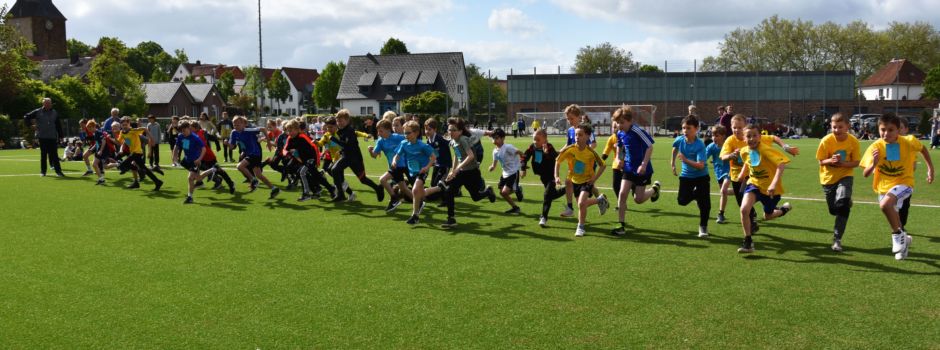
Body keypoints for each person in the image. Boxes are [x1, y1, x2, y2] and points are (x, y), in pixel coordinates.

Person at [861, 113, 935, 260]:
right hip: (883, 188)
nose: (886, 133)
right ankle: (904, 240)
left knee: (885, 205)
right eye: (883, 129)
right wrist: (874, 163)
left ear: (898, 130)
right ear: (878, 129)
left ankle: (897, 236)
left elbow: (923, 149)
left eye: (891, 130)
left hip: (904, 183)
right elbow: (865, 174)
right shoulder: (875, 147)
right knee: (894, 217)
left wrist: (930, 169)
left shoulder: (909, 141)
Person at [720, 114, 799, 235]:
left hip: (761, 178)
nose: (737, 130)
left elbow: (773, 138)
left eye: (740, 127)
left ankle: (770, 213)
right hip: (740, 177)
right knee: (743, 205)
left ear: (745, 126)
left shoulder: (756, 138)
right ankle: (749, 234)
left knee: (762, 212)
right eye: (734, 127)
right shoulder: (731, 140)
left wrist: (785, 146)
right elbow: (723, 157)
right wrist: (731, 156)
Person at [425, 117, 496, 229]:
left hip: (472, 172)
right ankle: (451, 219)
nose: (450, 132)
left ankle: (488, 192)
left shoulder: (463, 139)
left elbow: (470, 156)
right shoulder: (453, 141)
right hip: (462, 172)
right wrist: (453, 171)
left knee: (476, 197)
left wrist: (457, 169)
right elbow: (456, 156)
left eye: (453, 130)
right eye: (449, 130)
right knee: (449, 192)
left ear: (460, 131)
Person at [736, 124, 793, 254]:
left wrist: (773, 184)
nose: (752, 139)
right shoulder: (743, 151)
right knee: (744, 209)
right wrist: (742, 174)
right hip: (754, 184)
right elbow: (747, 161)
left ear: (760, 137)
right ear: (744, 139)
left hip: (771, 189)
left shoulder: (765, 150)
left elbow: (781, 164)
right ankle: (748, 241)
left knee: (767, 216)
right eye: (748, 136)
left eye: (754, 135)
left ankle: (783, 209)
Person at [610, 106, 660, 235]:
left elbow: (649, 147)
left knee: (638, 199)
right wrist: (619, 159)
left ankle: (654, 190)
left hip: (642, 170)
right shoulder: (620, 133)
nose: (619, 125)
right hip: (628, 168)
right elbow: (620, 147)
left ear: (630, 120)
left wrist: (643, 164)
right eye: (617, 122)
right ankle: (621, 225)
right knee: (622, 194)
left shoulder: (637, 131)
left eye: (622, 122)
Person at [816, 113, 860, 252]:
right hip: (828, 179)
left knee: (842, 205)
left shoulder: (853, 141)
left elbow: (856, 162)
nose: (837, 130)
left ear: (847, 126)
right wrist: (831, 161)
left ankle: (837, 239)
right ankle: (846, 201)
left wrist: (843, 164)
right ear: (831, 126)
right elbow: (821, 161)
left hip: (845, 176)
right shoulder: (826, 140)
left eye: (840, 127)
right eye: (834, 127)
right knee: (833, 210)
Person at [554, 124, 609, 237]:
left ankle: (581, 227)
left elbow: (603, 165)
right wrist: (556, 176)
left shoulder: (591, 152)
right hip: (575, 181)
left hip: (587, 181)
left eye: (580, 135)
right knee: (582, 205)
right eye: (576, 135)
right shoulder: (570, 149)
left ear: (588, 136)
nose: (577, 137)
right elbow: (558, 161)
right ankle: (600, 200)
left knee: (580, 203)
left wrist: (594, 179)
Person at [329, 109, 384, 202]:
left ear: (347, 120)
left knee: (362, 179)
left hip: (354, 158)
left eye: (341, 121)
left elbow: (346, 144)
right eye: (337, 121)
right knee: (335, 170)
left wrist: (335, 140)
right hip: (347, 156)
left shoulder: (349, 131)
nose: (339, 123)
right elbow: (346, 146)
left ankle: (378, 188)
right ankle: (341, 194)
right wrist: (341, 151)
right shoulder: (341, 130)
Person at [670, 115, 711, 238]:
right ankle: (697, 195)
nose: (685, 131)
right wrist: (672, 163)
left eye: (688, 128)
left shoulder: (700, 145)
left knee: (705, 204)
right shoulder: (679, 140)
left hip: (701, 176)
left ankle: (703, 227)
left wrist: (685, 160)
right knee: (681, 201)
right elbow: (674, 148)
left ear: (696, 129)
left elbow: (700, 166)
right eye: (683, 128)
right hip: (686, 176)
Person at [392, 121, 437, 225]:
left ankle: (415, 215)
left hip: (422, 171)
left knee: (415, 190)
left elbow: (433, 157)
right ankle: (440, 187)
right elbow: (397, 155)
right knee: (420, 193)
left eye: (408, 133)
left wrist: (426, 167)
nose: (406, 135)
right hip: (412, 171)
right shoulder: (404, 144)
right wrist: (394, 161)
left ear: (416, 133)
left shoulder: (422, 146)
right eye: (405, 133)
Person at [522, 129, 567, 227]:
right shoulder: (532, 147)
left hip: (551, 175)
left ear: (545, 140)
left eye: (538, 140)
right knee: (552, 195)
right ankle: (568, 189)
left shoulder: (549, 147)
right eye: (534, 139)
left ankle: (544, 217)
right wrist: (523, 168)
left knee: (547, 195)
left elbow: (555, 157)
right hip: (543, 176)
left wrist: (546, 153)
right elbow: (525, 156)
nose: (535, 142)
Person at [229, 115, 280, 199]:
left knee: (239, 166)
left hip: (255, 153)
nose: (236, 126)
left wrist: (269, 142)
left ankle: (253, 180)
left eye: (238, 124)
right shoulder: (234, 132)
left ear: (243, 124)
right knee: (259, 174)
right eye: (234, 125)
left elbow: (263, 129)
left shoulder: (248, 130)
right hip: (249, 154)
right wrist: (227, 143)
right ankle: (274, 188)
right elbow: (231, 147)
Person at [283, 119, 334, 202]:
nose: (289, 133)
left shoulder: (303, 137)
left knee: (302, 172)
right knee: (315, 176)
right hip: (303, 160)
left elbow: (315, 147)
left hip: (311, 159)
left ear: (297, 129)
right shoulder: (290, 138)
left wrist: (317, 161)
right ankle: (328, 189)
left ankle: (306, 194)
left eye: (291, 130)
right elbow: (284, 149)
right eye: (288, 131)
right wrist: (287, 153)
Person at [369, 119, 408, 210]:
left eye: (381, 131)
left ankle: (394, 199)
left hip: (404, 165)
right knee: (404, 189)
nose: (379, 133)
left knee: (383, 180)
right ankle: (419, 201)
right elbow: (374, 155)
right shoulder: (380, 141)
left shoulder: (397, 137)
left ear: (388, 130)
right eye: (378, 131)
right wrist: (370, 151)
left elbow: (410, 140)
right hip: (394, 166)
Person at [116, 117, 164, 191]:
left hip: (137, 152)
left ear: (129, 124)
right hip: (133, 152)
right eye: (123, 125)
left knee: (122, 165)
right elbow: (119, 142)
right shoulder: (122, 132)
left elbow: (145, 129)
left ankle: (137, 171)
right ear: (121, 125)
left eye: (126, 124)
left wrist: (152, 139)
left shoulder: (133, 130)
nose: (124, 126)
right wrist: (113, 134)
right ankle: (157, 181)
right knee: (144, 169)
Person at [23, 98, 64, 177]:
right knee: (43, 155)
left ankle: (59, 172)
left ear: (51, 104)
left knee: (54, 155)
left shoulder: (55, 112)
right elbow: (26, 117)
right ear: (43, 104)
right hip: (42, 136)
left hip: (52, 136)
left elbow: (58, 125)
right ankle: (43, 172)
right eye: (46, 103)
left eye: (49, 103)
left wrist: (61, 136)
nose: (48, 105)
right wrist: (30, 125)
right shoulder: (37, 111)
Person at [488, 128, 524, 214]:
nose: (494, 140)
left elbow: (520, 153)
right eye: (493, 138)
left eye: (497, 138)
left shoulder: (508, 147)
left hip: (513, 172)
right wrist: (492, 167)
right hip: (505, 173)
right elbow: (494, 164)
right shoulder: (495, 151)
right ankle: (516, 193)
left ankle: (516, 206)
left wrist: (523, 166)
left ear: (503, 138)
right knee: (502, 192)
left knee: (504, 192)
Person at [173, 121, 209, 204]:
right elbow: (177, 146)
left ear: (189, 128)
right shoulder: (181, 136)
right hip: (186, 160)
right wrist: (174, 156)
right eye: (181, 131)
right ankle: (213, 169)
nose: (183, 133)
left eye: (184, 131)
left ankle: (190, 197)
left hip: (195, 161)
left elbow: (204, 149)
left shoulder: (195, 137)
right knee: (198, 178)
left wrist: (199, 159)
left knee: (190, 178)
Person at [705, 125, 732, 224]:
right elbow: (704, 158)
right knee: (724, 191)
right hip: (718, 171)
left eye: (717, 135)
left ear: (723, 136)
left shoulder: (728, 145)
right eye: (713, 135)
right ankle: (740, 192)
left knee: (724, 190)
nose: (714, 138)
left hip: (729, 170)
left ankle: (721, 214)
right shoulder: (711, 146)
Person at [424, 118, 451, 203]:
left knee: (440, 184)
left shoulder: (439, 138)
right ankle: (440, 196)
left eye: (429, 129)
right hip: (437, 164)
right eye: (425, 129)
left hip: (445, 164)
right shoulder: (428, 141)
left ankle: (445, 200)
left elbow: (449, 143)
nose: (427, 131)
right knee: (433, 185)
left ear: (435, 129)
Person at [601, 121, 623, 198]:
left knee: (635, 192)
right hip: (616, 164)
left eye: (616, 127)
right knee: (616, 185)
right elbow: (606, 153)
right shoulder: (611, 138)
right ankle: (620, 203)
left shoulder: (626, 136)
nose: (615, 129)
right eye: (613, 127)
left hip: (628, 164)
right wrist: (599, 161)